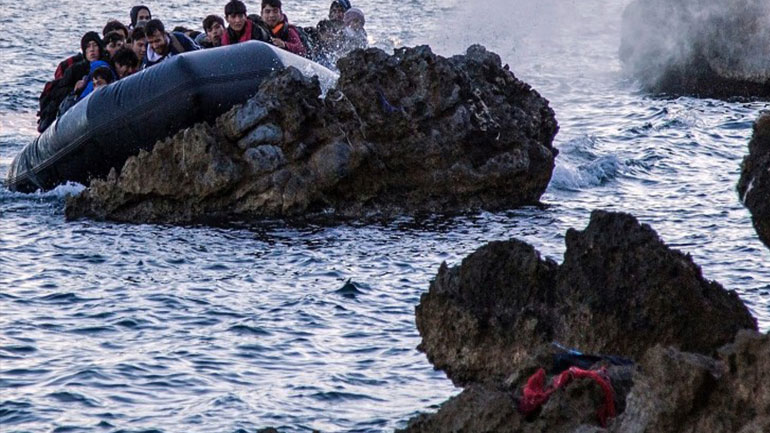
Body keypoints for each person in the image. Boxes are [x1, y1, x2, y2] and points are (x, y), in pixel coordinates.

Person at [37, 31, 106, 132]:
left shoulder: (106, 66)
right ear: (84, 51)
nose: (92, 50)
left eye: (95, 46)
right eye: (88, 46)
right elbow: (58, 92)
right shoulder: (75, 69)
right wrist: (75, 90)